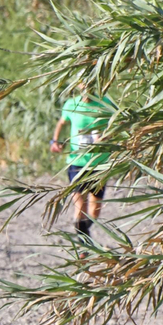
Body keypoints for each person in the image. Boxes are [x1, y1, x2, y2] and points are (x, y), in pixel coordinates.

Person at [50, 90, 117, 242]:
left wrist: (106, 137)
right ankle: (83, 242)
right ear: (79, 85)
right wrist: (55, 142)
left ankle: (83, 233)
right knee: (80, 205)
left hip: (99, 164)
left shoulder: (106, 103)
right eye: (84, 83)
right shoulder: (72, 104)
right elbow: (62, 122)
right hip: (77, 162)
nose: (88, 87)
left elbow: (117, 125)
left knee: (95, 210)